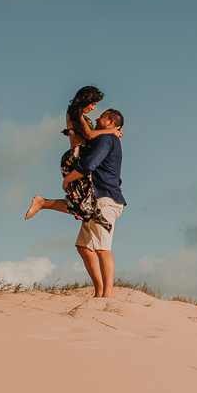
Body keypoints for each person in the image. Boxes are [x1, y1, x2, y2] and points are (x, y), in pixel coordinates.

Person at [24, 86, 120, 226]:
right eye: (93, 104)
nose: (93, 108)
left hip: (80, 157)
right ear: (86, 99)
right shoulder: (74, 112)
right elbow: (88, 134)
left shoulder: (80, 115)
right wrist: (111, 131)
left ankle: (44, 203)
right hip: (74, 159)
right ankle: (42, 202)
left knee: (84, 201)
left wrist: (113, 136)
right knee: (83, 203)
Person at [62, 108, 126, 299]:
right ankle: (99, 292)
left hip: (105, 200)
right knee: (83, 246)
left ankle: (107, 296)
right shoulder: (106, 137)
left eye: (103, 116)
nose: (98, 118)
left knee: (102, 248)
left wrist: (68, 180)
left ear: (111, 122)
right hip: (95, 201)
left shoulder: (107, 139)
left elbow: (89, 164)